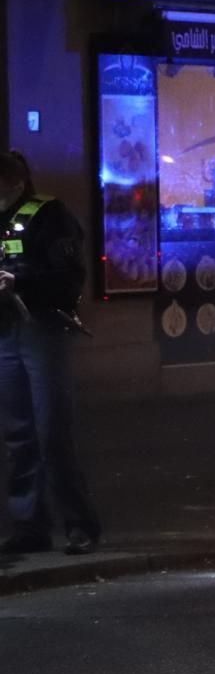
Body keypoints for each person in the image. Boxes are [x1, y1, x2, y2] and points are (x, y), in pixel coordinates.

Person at [0, 151, 100, 555]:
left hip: (43, 329)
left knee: (51, 431)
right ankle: (30, 526)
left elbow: (69, 277)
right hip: (7, 332)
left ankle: (80, 525)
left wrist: (19, 282)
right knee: (18, 434)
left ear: (16, 184)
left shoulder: (49, 215)